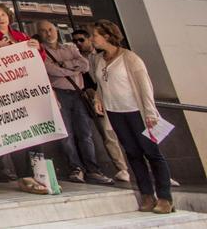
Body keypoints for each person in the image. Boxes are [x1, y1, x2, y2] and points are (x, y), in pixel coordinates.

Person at [90, 20, 174, 214]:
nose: (92, 39)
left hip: (137, 112)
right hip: (115, 112)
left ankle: (165, 197)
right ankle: (146, 194)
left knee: (152, 153)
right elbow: (102, 84)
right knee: (133, 154)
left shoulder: (130, 59)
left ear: (107, 36)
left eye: (95, 35)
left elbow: (145, 87)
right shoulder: (99, 59)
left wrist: (150, 112)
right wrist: (98, 98)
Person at [0, 3, 49, 195]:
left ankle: (40, 172)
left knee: (36, 132)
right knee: (19, 136)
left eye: (3, 14)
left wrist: (37, 48)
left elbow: (38, 62)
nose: (1, 18)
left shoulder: (21, 37)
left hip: (27, 91)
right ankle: (24, 176)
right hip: (7, 95)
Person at [36, 21, 114, 186]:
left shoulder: (70, 48)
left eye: (50, 29)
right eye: (44, 31)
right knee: (67, 135)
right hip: (59, 95)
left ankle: (93, 170)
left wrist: (64, 66)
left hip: (78, 94)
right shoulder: (41, 53)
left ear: (56, 30)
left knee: (85, 134)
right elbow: (51, 71)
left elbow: (84, 65)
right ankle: (76, 168)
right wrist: (72, 68)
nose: (48, 33)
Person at [72, 28, 130, 182]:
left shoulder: (100, 57)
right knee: (107, 135)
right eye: (74, 41)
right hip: (94, 100)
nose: (78, 44)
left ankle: (149, 168)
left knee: (129, 134)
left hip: (116, 98)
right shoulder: (76, 58)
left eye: (81, 40)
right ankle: (121, 168)